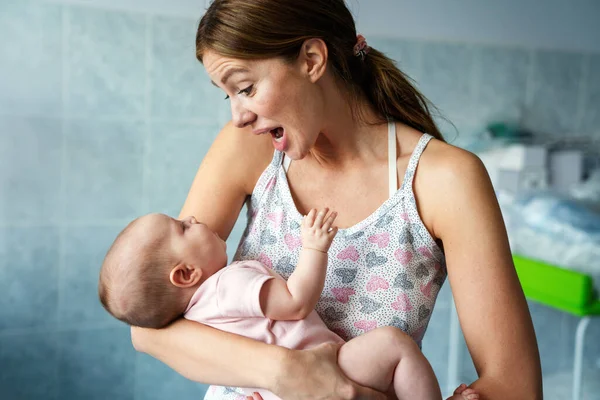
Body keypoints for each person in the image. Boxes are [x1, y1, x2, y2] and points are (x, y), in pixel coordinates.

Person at [130, 0, 543, 399]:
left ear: (311, 59)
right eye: (229, 95)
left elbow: (516, 387)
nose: (238, 115)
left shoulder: (443, 181)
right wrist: (287, 374)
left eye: (246, 87)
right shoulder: (248, 149)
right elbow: (150, 325)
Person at [99, 210, 478, 399]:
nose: (193, 217)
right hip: (324, 368)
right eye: (183, 227)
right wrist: (314, 247)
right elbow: (295, 303)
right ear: (185, 275)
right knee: (395, 345)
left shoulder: (197, 317)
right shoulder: (226, 286)